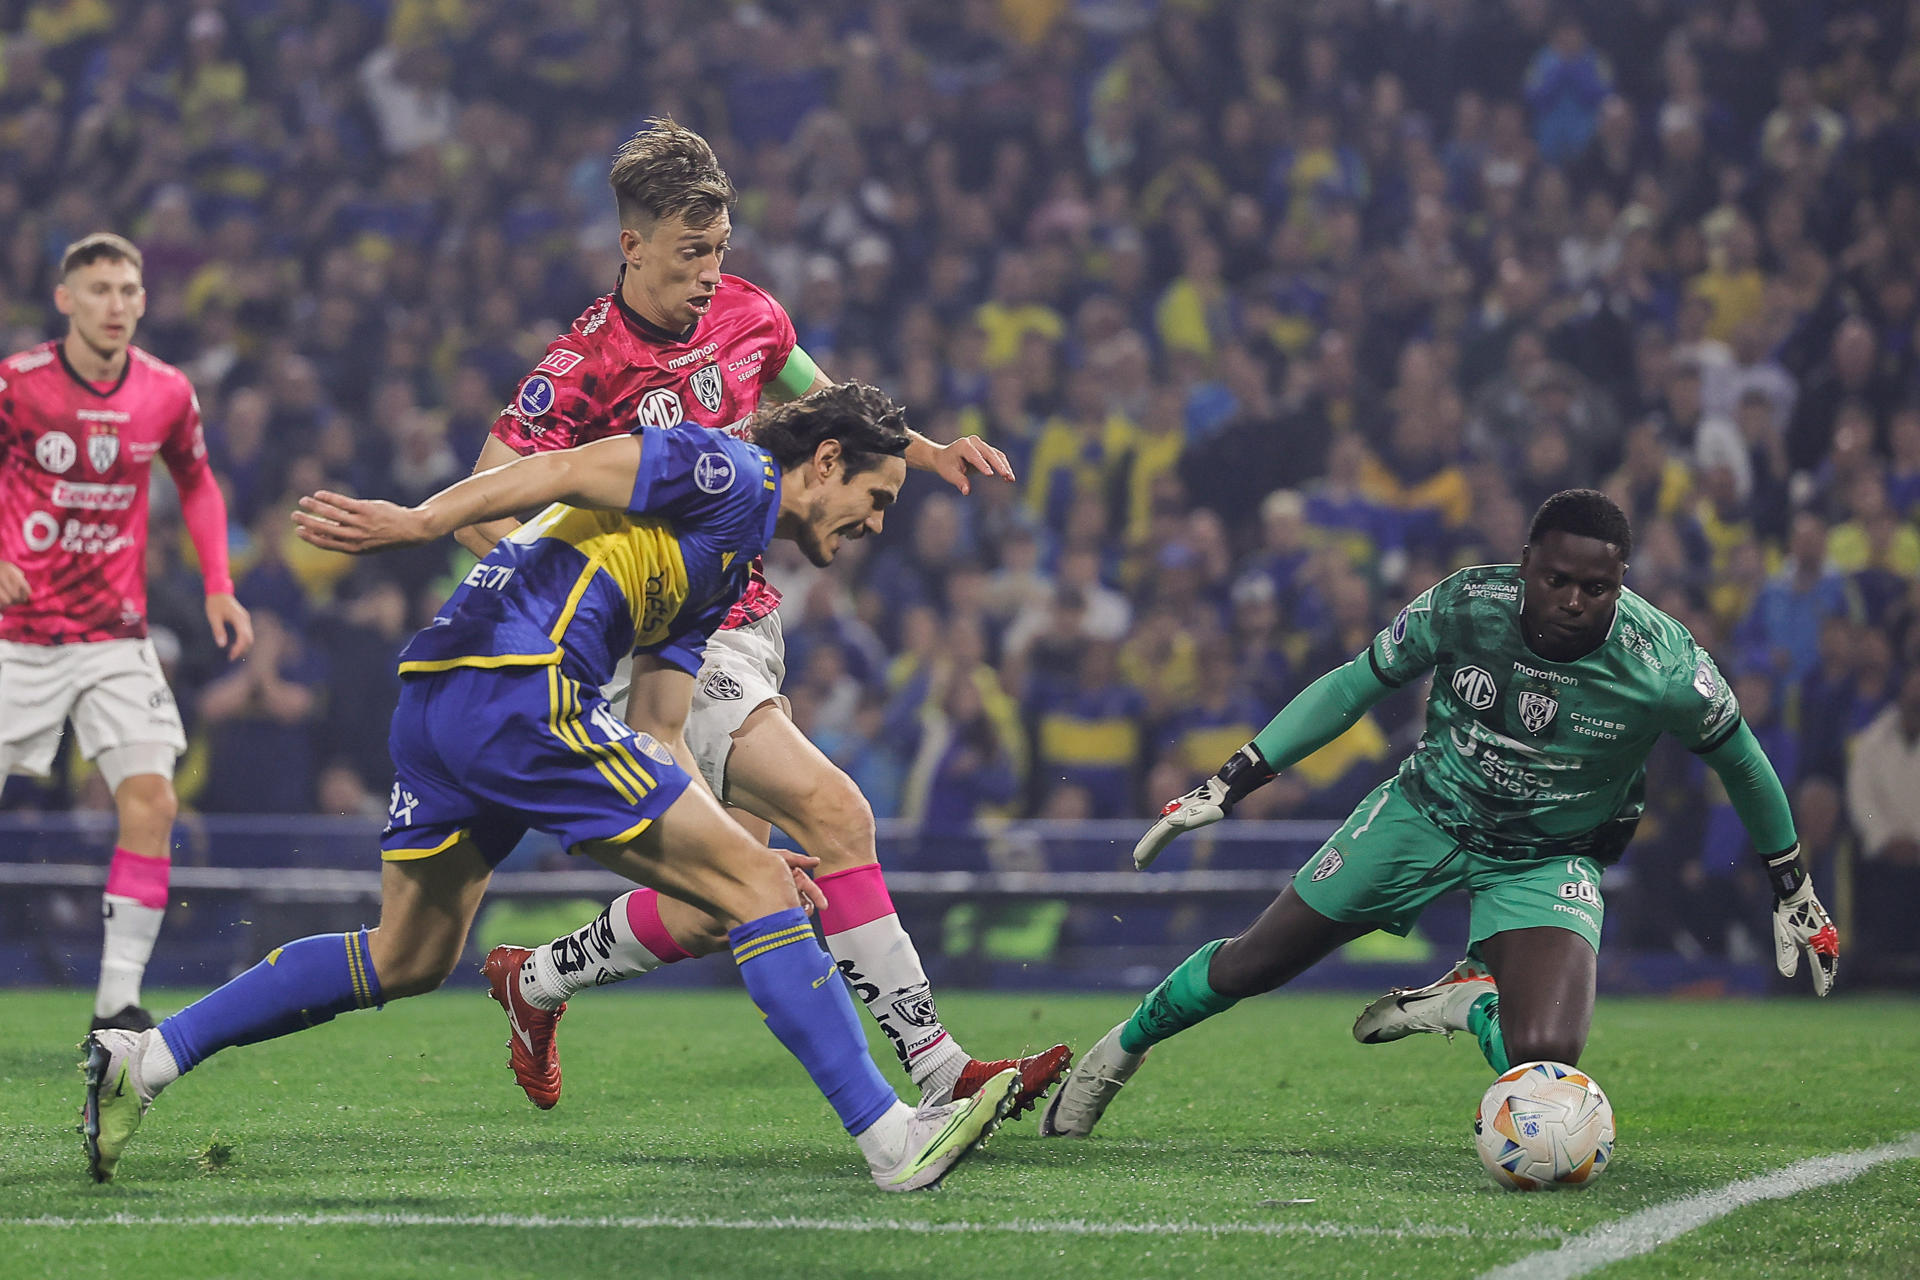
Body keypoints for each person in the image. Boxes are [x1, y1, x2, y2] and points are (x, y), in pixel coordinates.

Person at [80, 385, 1021, 1192]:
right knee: (758, 885)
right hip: (522, 687)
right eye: (877, 494)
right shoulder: (733, 473)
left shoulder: (725, 564)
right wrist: (422, 522)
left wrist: (729, 862)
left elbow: (658, 729)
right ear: (826, 461)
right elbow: (567, 468)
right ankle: (889, 1136)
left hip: (443, 702)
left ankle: (146, 1058)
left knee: (408, 955)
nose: (877, 523)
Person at [452, 119, 1066, 1115]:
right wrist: (587, 604)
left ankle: (535, 981)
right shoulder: (580, 365)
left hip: (747, 616)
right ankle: (941, 1068)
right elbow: (482, 497)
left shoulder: (750, 315)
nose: (708, 272)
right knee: (837, 813)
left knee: (706, 908)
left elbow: (826, 408)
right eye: (690, 252)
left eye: (719, 250)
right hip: (665, 636)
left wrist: (925, 449)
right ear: (632, 245)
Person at [1039, 489, 1838, 1139]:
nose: (1572, 601)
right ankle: (1120, 1051)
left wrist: (1791, 884)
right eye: (1557, 579)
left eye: (1596, 588)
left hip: (1547, 854)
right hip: (1424, 814)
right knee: (1255, 965)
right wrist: (1235, 777)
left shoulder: (1664, 665)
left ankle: (1466, 1000)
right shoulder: (1466, 603)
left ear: (1621, 582)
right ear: (1527, 566)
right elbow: (1355, 685)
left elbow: (1742, 760)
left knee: (1549, 1063)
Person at [0, 232, 253, 1035]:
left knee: (151, 800)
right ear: (65, 299)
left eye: (127, 291)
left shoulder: (167, 391)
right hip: (19, 634)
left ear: (143, 301)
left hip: (114, 635)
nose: (115, 305)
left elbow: (198, 483)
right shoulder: (18, 386)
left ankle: (117, 1003)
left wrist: (218, 585)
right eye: (99, 289)